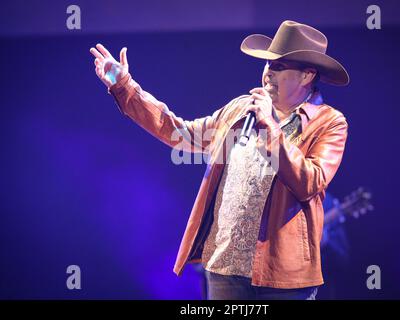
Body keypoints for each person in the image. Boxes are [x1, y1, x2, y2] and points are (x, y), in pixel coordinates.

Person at [90, 20, 349, 300]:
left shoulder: (329, 123)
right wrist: (126, 88)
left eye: (279, 67)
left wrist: (271, 126)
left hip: (283, 280)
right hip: (224, 270)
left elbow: (308, 183)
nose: (268, 74)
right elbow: (181, 133)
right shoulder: (241, 108)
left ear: (307, 75)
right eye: (268, 65)